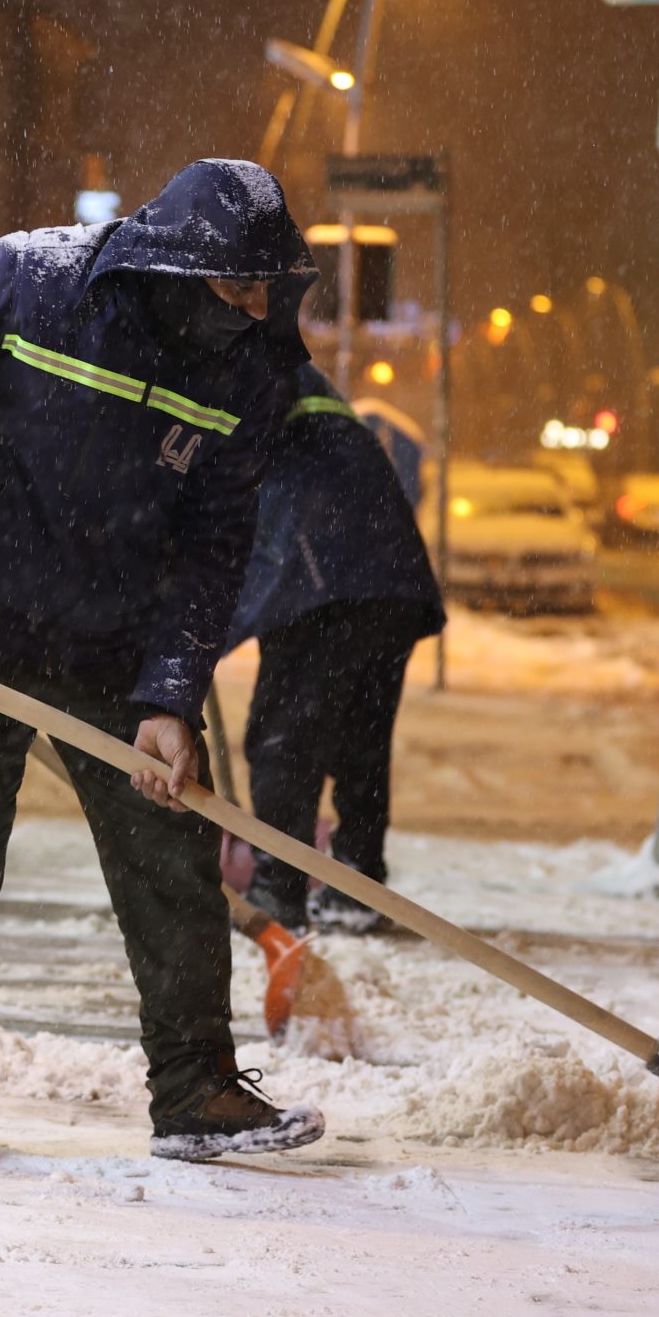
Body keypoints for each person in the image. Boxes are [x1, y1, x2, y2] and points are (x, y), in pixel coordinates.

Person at [0, 157, 324, 1170]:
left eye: (266, 287)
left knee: (171, 860)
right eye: (235, 287)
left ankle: (195, 1090)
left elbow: (214, 546)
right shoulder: (23, 285)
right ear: (173, 268)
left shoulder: (248, 372)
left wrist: (169, 695)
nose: (255, 307)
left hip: (115, 645)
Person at [224, 365, 446, 934]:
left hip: (324, 571)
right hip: (385, 571)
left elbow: (219, 496)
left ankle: (279, 892)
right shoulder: (285, 370)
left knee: (282, 741)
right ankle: (357, 883)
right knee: (359, 739)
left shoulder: (236, 365)